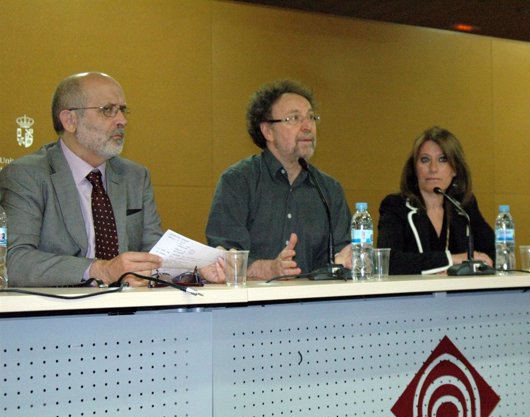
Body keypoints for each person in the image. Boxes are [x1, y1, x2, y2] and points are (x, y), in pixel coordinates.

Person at [0, 72, 223, 287]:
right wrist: (100, 270)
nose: (122, 120)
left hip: (126, 312)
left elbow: (155, 253)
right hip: (53, 315)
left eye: (123, 110)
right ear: (70, 120)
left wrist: (194, 269)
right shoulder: (28, 175)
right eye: (108, 110)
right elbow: (15, 260)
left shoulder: (134, 176)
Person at [205, 80, 352, 280]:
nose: (308, 126)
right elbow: (224, 257)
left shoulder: (329, 189)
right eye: (294, 118)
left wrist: (347, 259)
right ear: (267, 131)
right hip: (251, 306)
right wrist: (270, 269)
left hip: (315, 306)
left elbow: (342, 254)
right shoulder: (238, 181)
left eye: (311, 117)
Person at [377, 126, 495, 275]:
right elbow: (387, 262)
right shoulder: (395, 206)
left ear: (455, 169)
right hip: (412, 296)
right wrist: (450, 260)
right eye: (425, 160)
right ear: (415, 168)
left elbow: (496, 253)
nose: (433, 168)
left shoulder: (464, 206)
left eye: (442, 159)